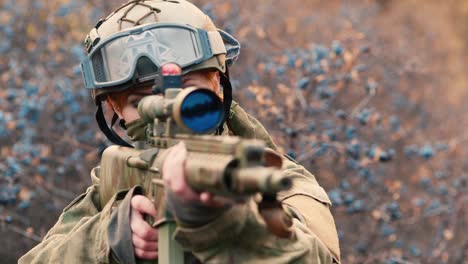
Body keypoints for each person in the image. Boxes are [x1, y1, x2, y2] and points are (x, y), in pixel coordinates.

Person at [19, 0, 341, 263]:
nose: (162, 108)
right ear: (116, 111)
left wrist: (221, 222)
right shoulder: (117, 187)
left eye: (189, 93)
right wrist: (109, 238)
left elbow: (316, 257)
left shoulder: (278, 180)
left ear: (217, 84)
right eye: (138, 101)